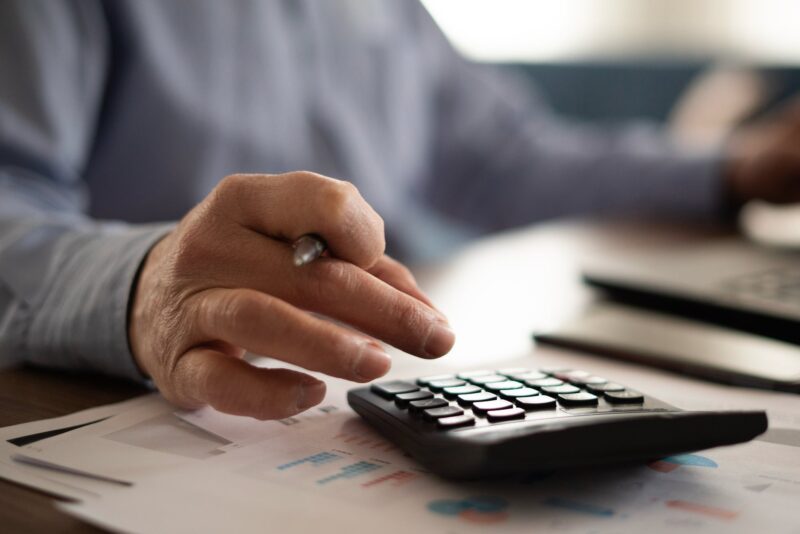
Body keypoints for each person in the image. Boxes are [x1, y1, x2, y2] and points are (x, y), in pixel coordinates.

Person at [1, 1, 799, 421]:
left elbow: (501, 156)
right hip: (152, 407)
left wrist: (734, 169)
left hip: (407, 385)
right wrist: (144, 285)